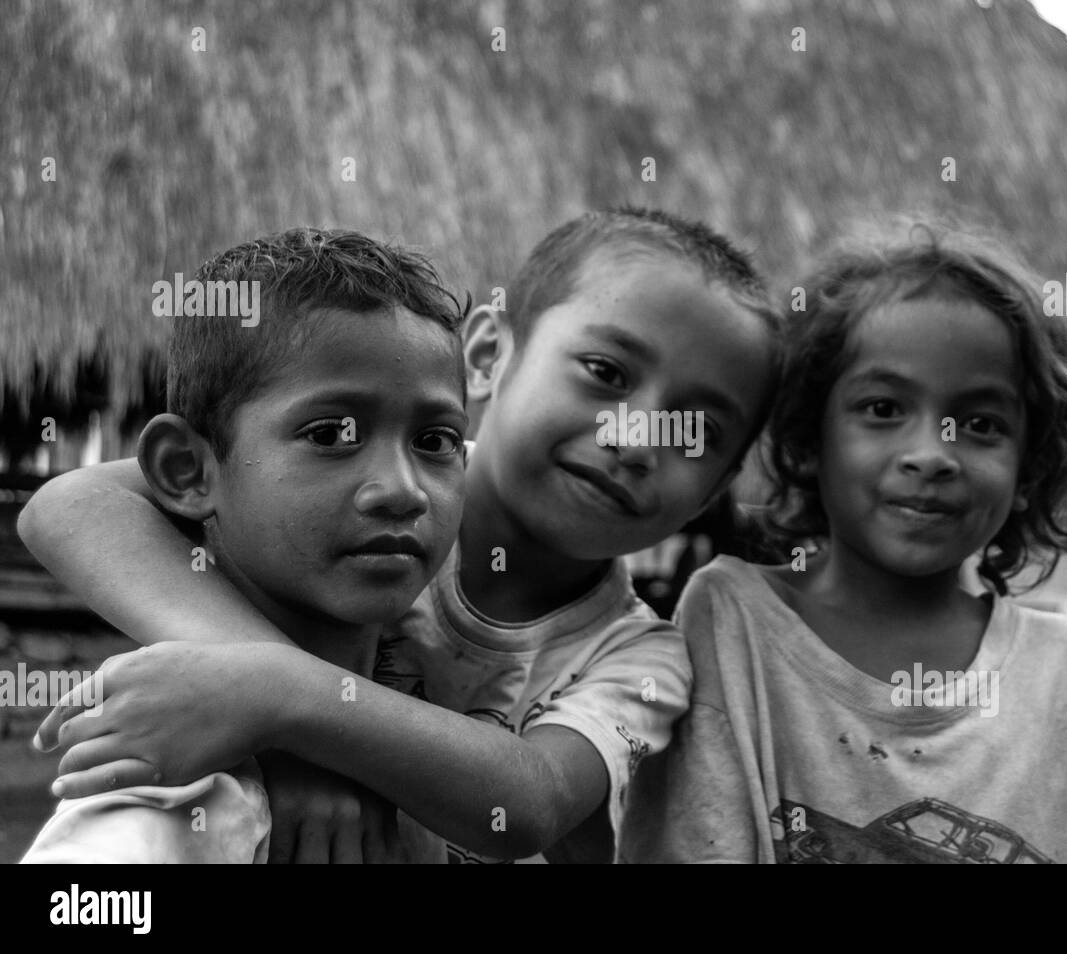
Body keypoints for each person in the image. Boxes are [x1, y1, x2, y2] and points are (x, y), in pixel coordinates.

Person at [21, 208, 783, 863]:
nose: (635, 438)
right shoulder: (372, 515)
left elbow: (532, 797)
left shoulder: (637, 655)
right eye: (606, 373)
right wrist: (278, 716)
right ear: (489, 354)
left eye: (697, 429)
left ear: (715, 491)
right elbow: (72, 505)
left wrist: (290, 703)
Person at [620, 226, 1067, 863]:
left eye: (981, 424)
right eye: (882, 409)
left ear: (1028, 472)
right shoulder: (735, 618)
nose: (932, 455)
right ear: (807, 441)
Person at [23, 227, 468, 862]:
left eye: (435, 442)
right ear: (188, 471)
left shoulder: (420, 735)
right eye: (330, 433)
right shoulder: (165, 810)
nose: (403, 491)